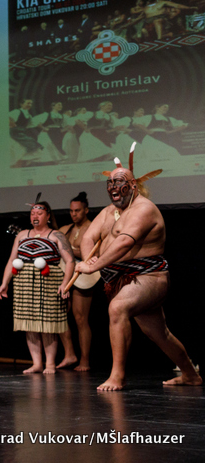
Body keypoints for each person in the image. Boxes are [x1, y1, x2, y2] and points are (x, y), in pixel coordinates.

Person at [75, 151, 202, 391]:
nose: (113, 187)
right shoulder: (108, 212)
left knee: (117, 308)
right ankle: (190, 375)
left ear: (133, 185)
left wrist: (93, 266)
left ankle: (118, 376)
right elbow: (88, 237)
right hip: (123, 280)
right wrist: (89, 258)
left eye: (119, 182)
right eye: (110, 182)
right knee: (159, 333)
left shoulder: (144, 209)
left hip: (149, 277)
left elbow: (124, 242)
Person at [0, 198, 74, 374]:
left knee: (48, 325)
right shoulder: (22, 235)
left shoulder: (56, 235)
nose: (35, 216)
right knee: (29, 325)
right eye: (32, 213)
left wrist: (66, 283)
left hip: (49, 282)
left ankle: (50, 364)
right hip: (24, 283)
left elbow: (70, 261)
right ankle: (37, 363)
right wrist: (4, 283)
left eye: (39, 213)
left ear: (48, 216)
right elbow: (11, 260)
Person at [57, 192, 95, 371]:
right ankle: (69, 354)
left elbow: (96, 254)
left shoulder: (93, 228)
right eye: (71, 211)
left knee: (80, 318)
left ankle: (85, 361)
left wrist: (70, 250)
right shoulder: (65, 229)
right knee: (59, 315)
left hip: (84, 276)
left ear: (86, 210)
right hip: (66, 275)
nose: (74, 214)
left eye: (77, 211)